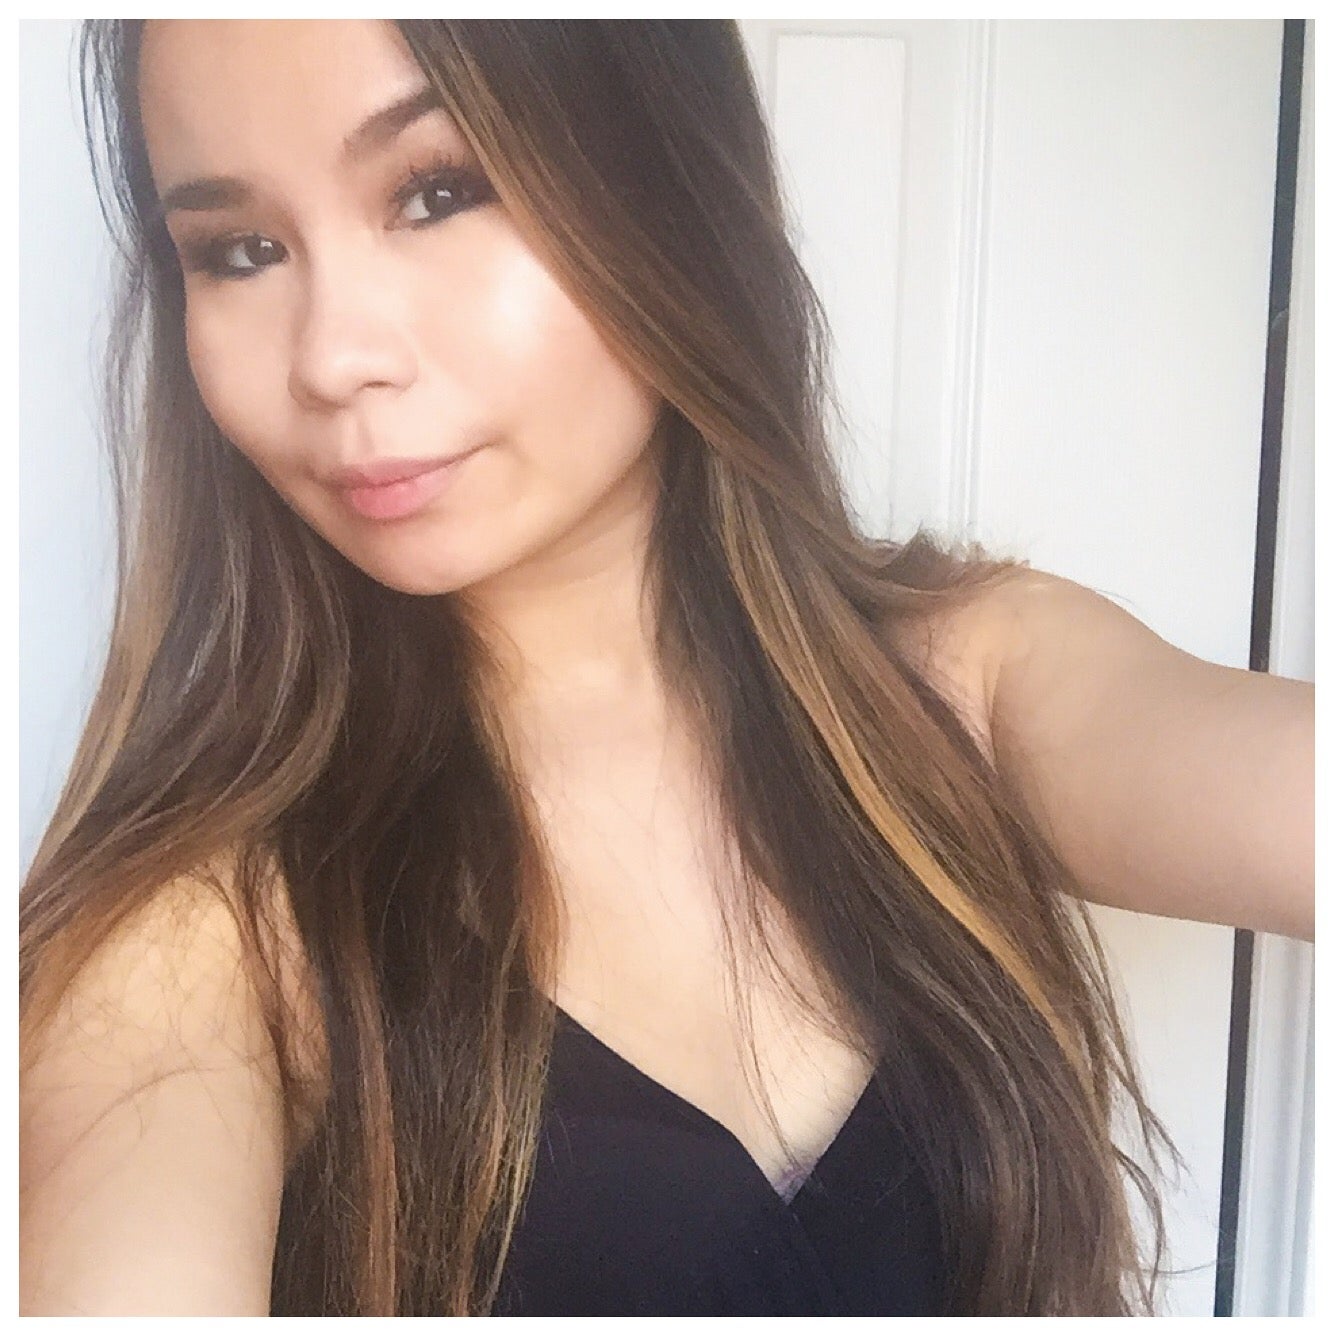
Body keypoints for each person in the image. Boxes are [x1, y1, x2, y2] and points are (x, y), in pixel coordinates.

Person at [18, 19, 1314, 1318]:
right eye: (240, 251)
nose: (330, 358)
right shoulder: (199, 934)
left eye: (439, 190)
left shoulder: (964, 685)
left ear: (666, 177)